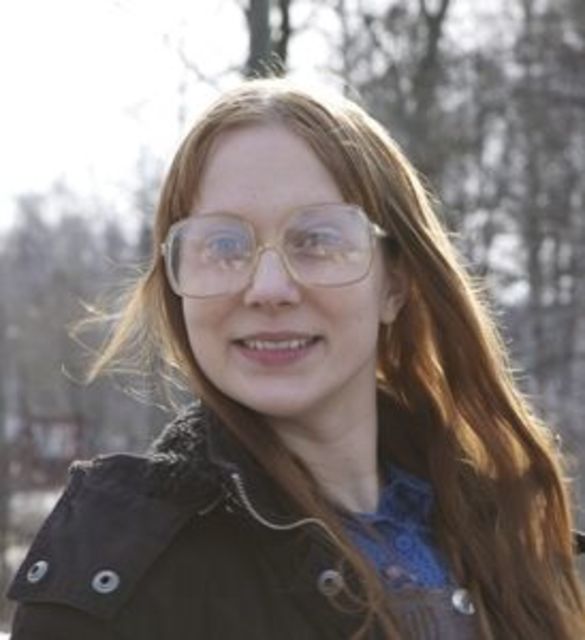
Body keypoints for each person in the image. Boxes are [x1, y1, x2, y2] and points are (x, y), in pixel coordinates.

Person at [6, 78, 585, 639]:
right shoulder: (118, 585)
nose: (268, 288)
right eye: (224, 246)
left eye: (317, 240)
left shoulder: (503, 531)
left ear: (395, 284)